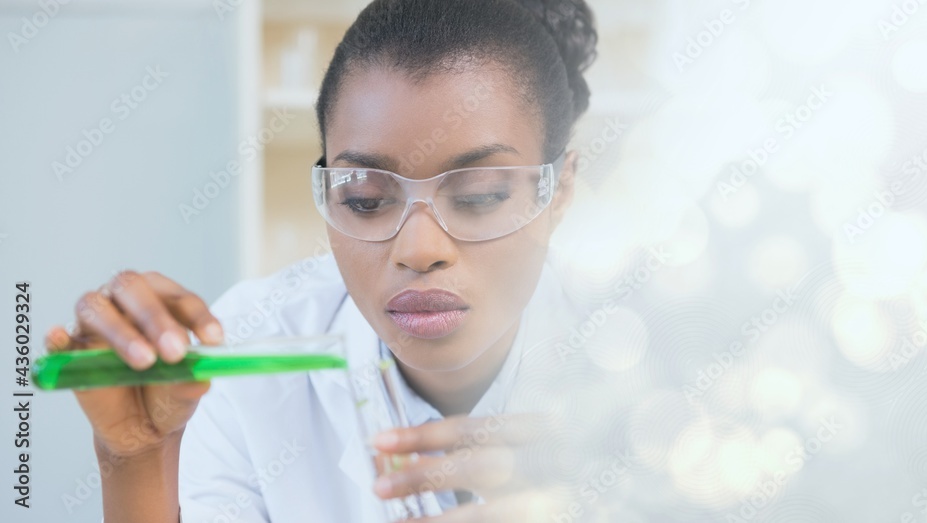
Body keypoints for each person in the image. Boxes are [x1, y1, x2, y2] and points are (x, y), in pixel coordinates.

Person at [46, 0, 599, 520]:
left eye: (479, 194)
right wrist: (137, 460)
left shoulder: (645, 364)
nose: (419, 250)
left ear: (562, 189)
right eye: (366, 199)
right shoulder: (249, 345)